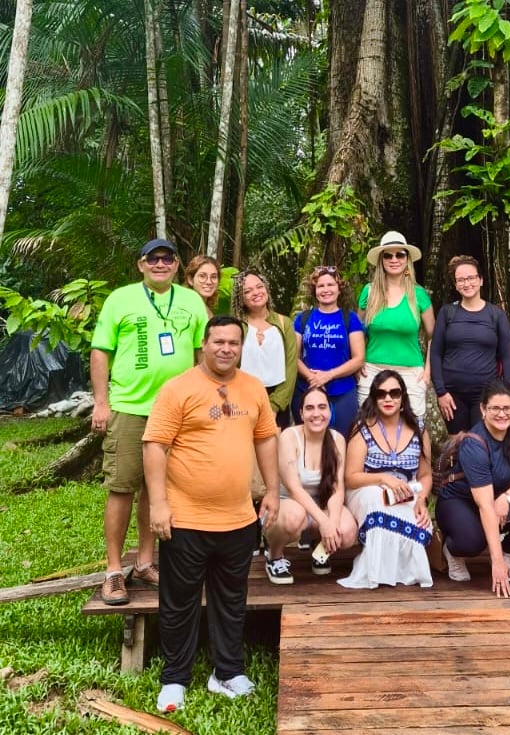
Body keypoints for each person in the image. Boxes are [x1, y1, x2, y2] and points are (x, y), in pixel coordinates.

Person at [143, 315, 280, 713]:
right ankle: (174, 679)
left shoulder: (253, 388)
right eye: (218, 341)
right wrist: (159, 505)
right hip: (185, 518)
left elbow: (266, 440)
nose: (225, 349)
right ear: (204, 344)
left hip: (239, 519)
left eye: (233, 343)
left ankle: (227, 672)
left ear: (242, 347)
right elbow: (154, 447)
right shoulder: (179, 389)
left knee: (231, 600)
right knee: (180, 602)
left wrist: (271, 490)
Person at [90, 238, 209, 606]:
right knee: (123, 487)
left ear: (176, 266)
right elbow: (100, 351)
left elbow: (201, 351)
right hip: (129, 407)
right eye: (152, 259)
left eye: (168, 258)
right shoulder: (120, 299)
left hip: (176, 411)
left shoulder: (191, 301)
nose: (160, 264)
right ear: (141, 265)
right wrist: (101, 402)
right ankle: (113, 571)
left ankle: (144, 561)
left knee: (156, 491)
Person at [435, 380, 510, 593]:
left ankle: (507, 552)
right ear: (483, 409)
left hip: (497, 496)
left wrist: (506, 498)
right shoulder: (474, 443)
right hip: (460, 501)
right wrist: (495, 564)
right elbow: (485, 505)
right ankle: (452, 551)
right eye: (495, 408)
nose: (502, 414)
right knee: (472, 541)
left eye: (507, 408)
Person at [338, 370, 434, 589]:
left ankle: (400, 572)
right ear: (373, 398)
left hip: (405, 492)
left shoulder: (419, 429)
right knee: (376, 499)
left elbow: (425, 475)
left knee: (419, 524)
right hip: (366, 490)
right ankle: (375, 572)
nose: (388, 398)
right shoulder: (363, 428)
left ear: (402, 397)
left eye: (394, 392)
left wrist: (421, 501)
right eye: (381, 394)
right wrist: (382, 478)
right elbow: (350, 478)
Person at [263, 387, 358, 584]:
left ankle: (321, 548)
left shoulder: (337, 439)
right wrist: (324, 521)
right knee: (294, 517)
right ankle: (274, 555)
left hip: (320, 504)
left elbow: (337, 487)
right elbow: (294, 488)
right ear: (301, 413)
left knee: (347, 531)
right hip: (288, 503)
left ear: (330, 412)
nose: (316, 414)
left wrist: (332, 522)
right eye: (310, 408)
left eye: (322, 407)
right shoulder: (290, 437)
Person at [431, 255, 510, 436]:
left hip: (485, 395)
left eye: (471, 278)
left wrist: (507, 395)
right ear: (455, 284)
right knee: (455, 444)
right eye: (461, 280)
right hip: (452, 395)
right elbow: (436, 353)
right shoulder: (447, 313)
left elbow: (507, 357)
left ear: (481, 280)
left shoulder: (496, 315)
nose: (466, 284)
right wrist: (441, 392)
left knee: (482, 442)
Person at [357, 231, 435, 418]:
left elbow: (434, 335)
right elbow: (357, 331)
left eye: (400, 254)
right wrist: (357, 361)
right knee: (368, 425)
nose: (394, 259)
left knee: (415, 427)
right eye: (388, 255)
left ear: (407, 259)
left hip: (411, 372)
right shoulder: (369, 292)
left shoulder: (419, 294)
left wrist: (427, 372)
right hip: (372, 370)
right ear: (381, 261)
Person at [292, 266, 365, 438]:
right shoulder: (303, 319)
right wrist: (313, 378)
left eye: (330, 285)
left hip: (342, 392)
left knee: (341, 440)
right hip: (307, 391)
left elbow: (359, 358)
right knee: (307, 441)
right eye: (321, 286)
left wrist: (328, 376)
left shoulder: (350, 318)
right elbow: (292, 357)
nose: (326, 290)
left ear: (339, 289)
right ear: (315, 291)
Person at [231, 269, 297, 430]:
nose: (256, 292)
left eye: (259, 287)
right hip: (242, 401)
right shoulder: (236, 325)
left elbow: (291, 367)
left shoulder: (284, 323)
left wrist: (274, 407)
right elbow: (230, 366)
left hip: (278, 401)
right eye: (248, 291)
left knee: (273, 452)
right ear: (241, 299)